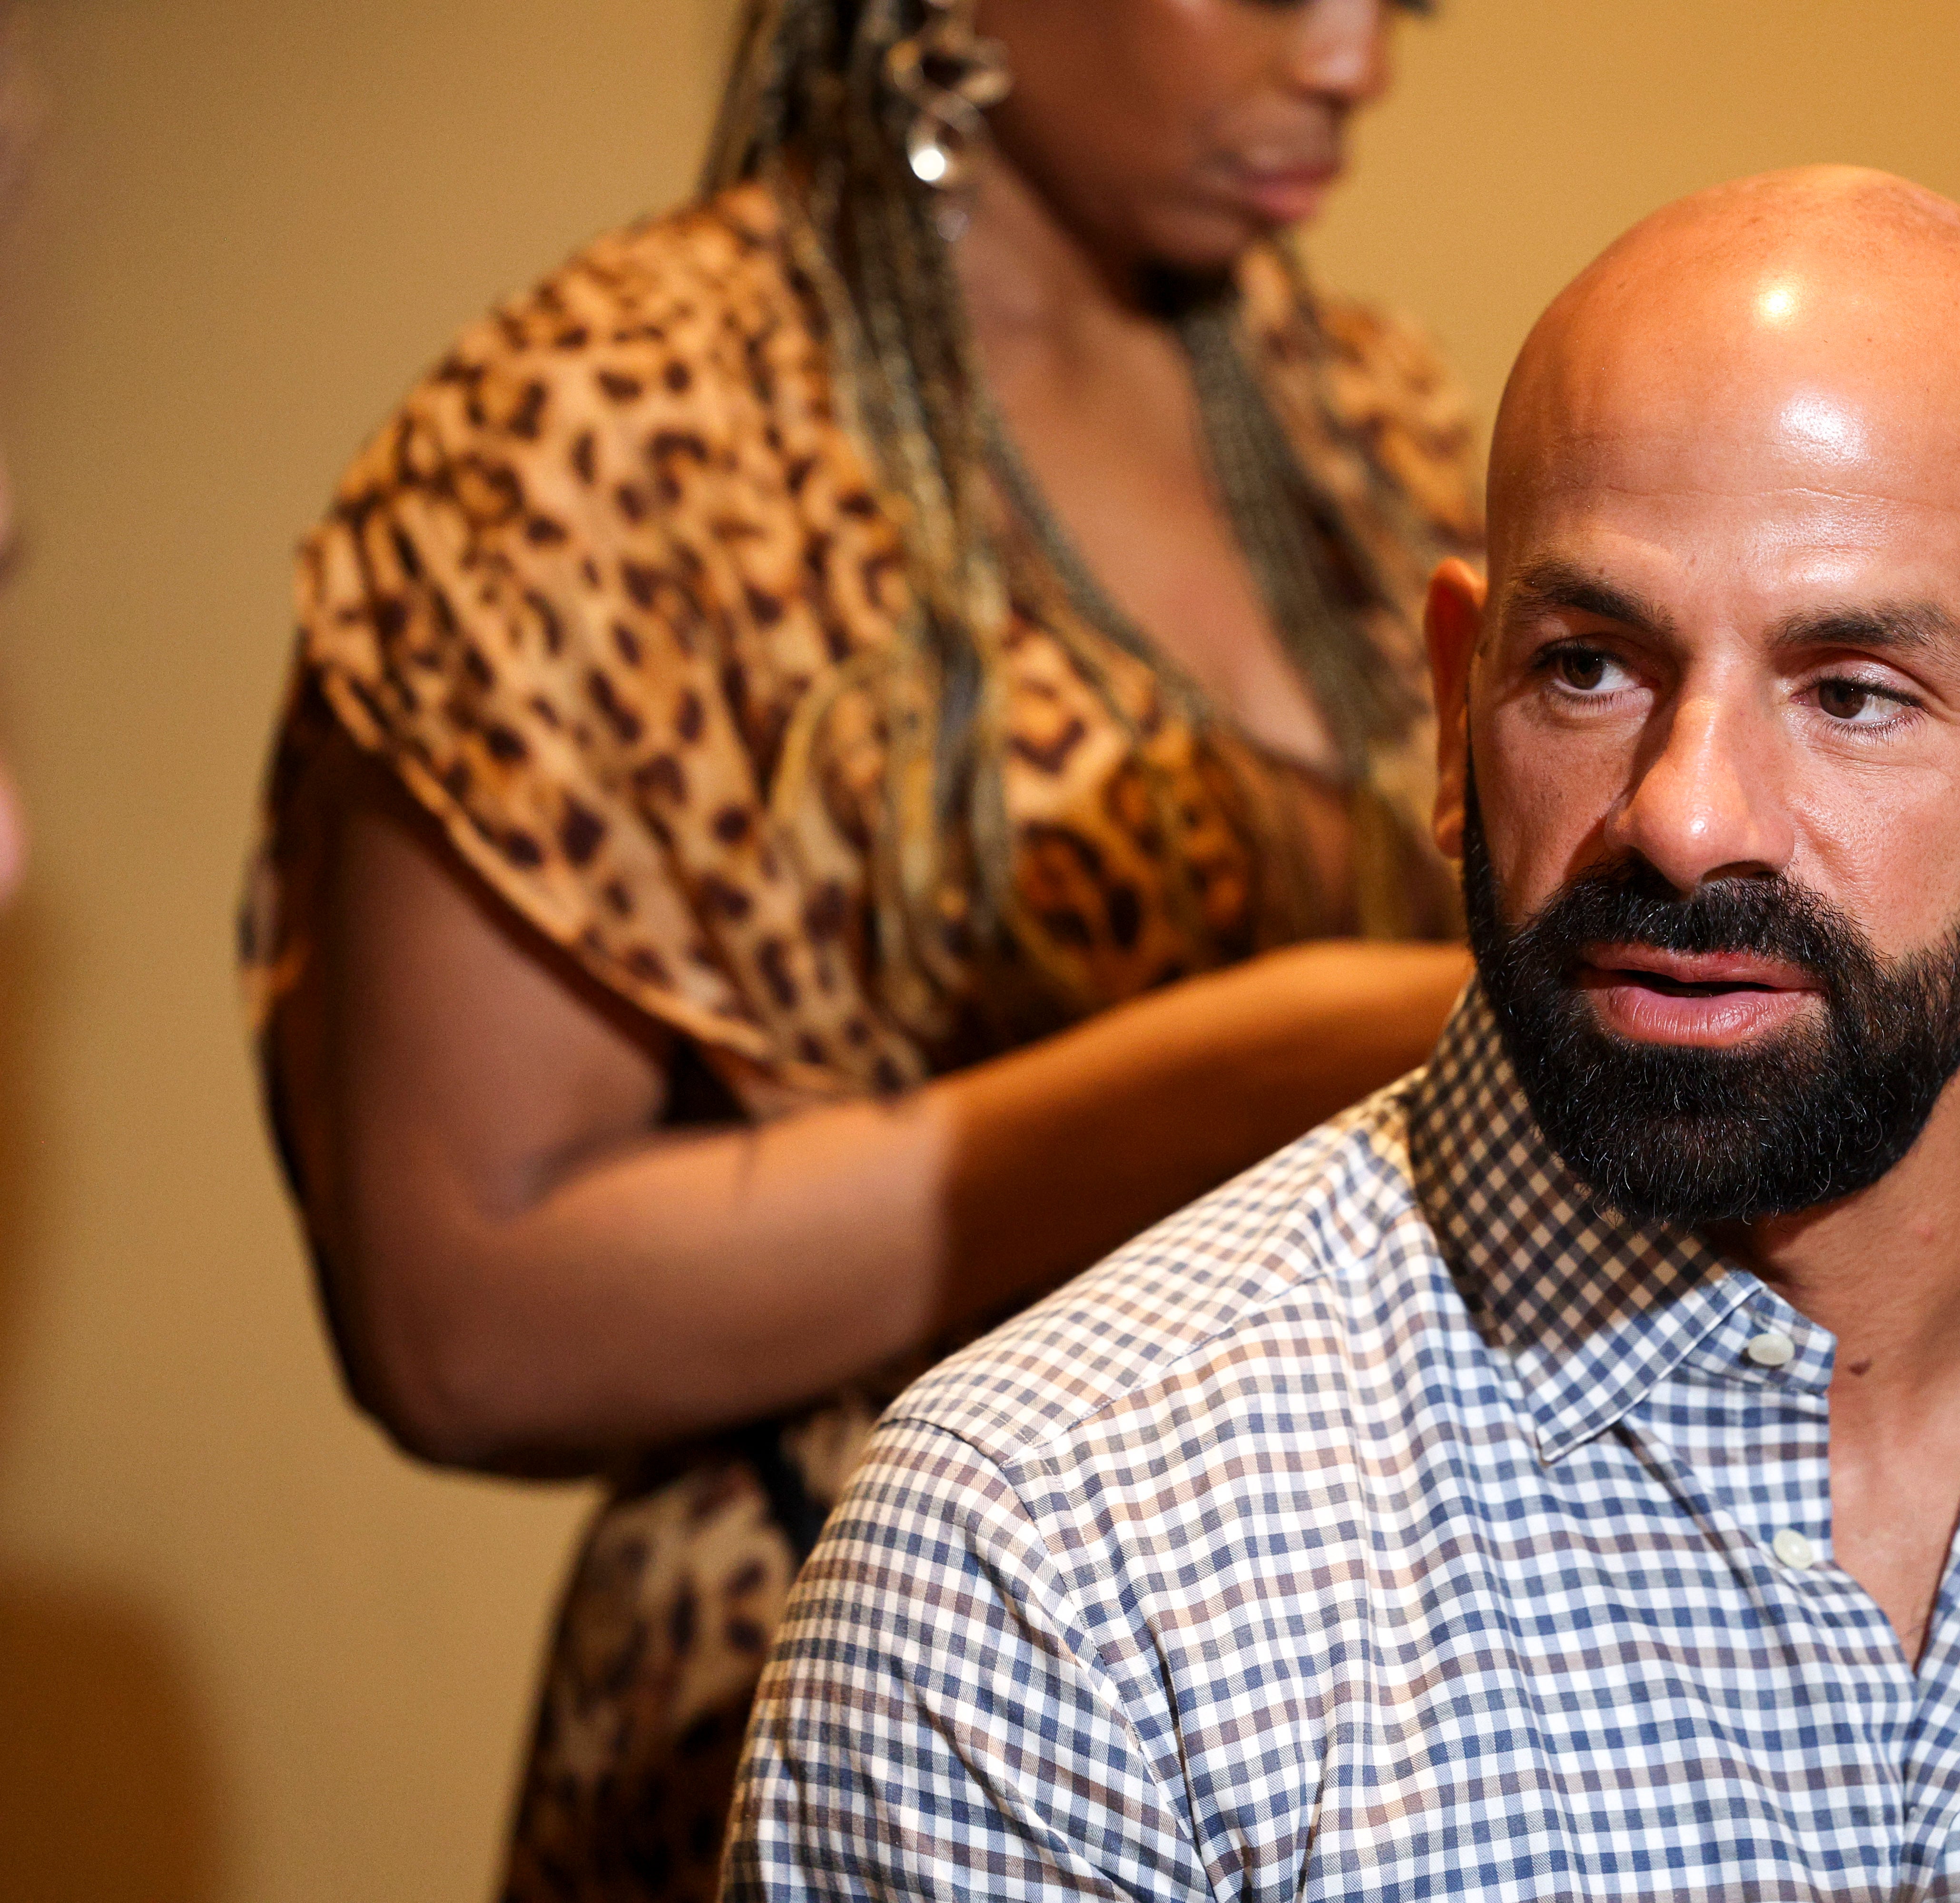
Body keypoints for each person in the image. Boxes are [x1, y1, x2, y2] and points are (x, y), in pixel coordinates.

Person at [724, 167, 1960, 1900]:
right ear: (1453, 704)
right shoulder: (1052, 1572)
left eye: (1852, 690)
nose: (1684, 810)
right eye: (1589, 667)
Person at [241, 1, 1473, 1895]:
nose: (1352, 64)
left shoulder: (1367, 419)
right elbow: (459, 1318)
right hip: (827, 1689)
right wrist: (1265, 1066)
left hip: (1338, 1695)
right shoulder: (607, 431)